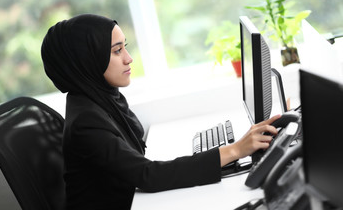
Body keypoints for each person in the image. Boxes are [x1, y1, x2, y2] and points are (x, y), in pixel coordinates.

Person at [41, 14, 280, 210]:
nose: (129, 59)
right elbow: (148, 176)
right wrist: (236, 149)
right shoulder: (86, 122)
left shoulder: (99, 98)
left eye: (126, 47)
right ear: (87, 59)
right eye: (116, 51)